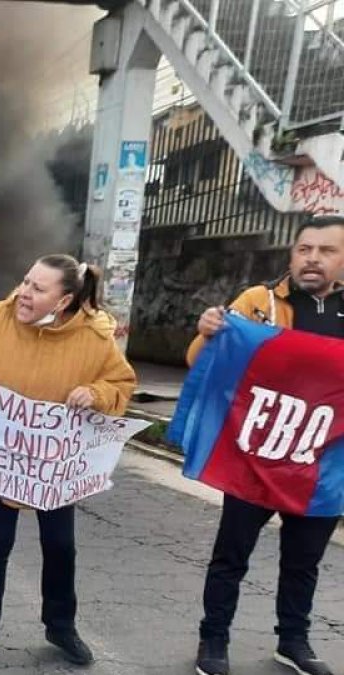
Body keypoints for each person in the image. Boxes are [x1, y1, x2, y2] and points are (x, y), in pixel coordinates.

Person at [0, 254, 136, 668]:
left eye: (37, 288)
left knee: (60, 546)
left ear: (64, 300)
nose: (24, 294)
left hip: (54, 466)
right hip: (1, 461)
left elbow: (120, 382)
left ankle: (61, 627)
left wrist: (96, 393)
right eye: (25, 281)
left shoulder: (94, 338)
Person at [187, 215, 344, 675]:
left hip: (322, 462)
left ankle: (292, 642)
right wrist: (208, 333)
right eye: (304, 249)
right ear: (292, 254)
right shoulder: (259, 303)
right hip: (257, 455)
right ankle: (213, 640)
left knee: (304, 562)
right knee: (230, 556)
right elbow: (199, 362)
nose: (312, 258)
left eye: (326, 251)